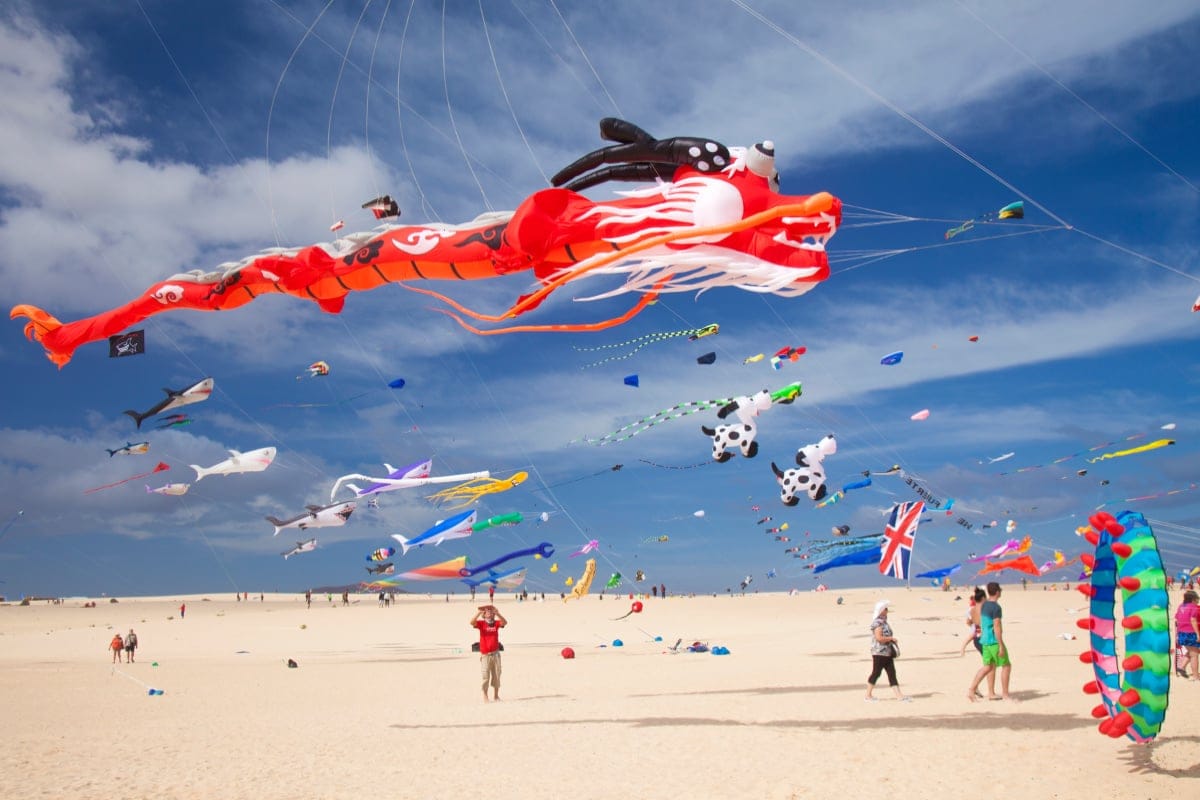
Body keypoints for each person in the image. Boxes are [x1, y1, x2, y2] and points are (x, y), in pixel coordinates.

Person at [968, 582, 1013, 701]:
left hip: (984, 641)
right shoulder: (996, 607)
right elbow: (997, 625)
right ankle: (1005, 694)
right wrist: (1001, 644)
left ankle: (972, 690)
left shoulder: (985, 605)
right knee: (1006, 666)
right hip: (993, 641)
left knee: (987, 667)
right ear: (997, 592)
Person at [864, 599, 908, 702]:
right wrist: (890, 639)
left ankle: (899, 695)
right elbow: (879, 638)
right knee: (876, 673)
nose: (887, 611)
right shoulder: (878, 623)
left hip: (887, 652)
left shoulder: (884, 622)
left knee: (892, 673)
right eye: (886, 609)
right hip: (879, 652)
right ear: (881, 610)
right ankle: (868, 695)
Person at [470, 604, 507, 702]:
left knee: (497, 675)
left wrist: (498, 613)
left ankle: (496, 696)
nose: (489, 612)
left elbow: (505, 622)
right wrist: (479, 612)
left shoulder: (496, 623)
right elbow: (471, 622)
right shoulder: (481, 624)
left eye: (491, 611)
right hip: (485, 655)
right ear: (484, 614)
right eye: (487, 611)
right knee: (485, 675)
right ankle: (485, 696)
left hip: (495, 654)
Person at [1174, 590, 1199, 680]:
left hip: (1181, 633)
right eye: (1197, 598)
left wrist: (1177, 634)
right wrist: (1197, 634)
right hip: (1190, 633)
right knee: (1194, 655)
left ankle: (1182, 666)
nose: (1198, 600)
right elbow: (1193, 620)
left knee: (1192, 651)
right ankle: (1196, 676)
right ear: (1193, 599)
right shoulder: (1194, 607)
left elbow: (1177, 620)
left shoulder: (1181, 606)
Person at [959, 587, 985, 657]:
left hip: (975, 627)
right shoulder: (976, 609)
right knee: (970, 638)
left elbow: (968, 622)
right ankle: (962, 650)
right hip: (977, 629)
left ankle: (962, 650)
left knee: (970, 638)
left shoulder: (972, 608)